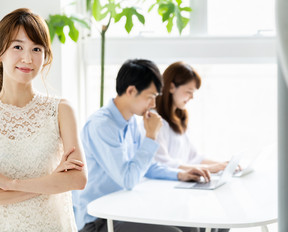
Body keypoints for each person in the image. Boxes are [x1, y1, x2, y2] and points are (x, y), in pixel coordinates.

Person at [0, 8, 87, 231]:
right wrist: (51, 181)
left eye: (36, 49)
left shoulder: (61, 111)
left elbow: (77, 180)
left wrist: (10, 184)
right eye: (18, 46)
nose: (28, 58)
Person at [73, 59, 210, 232]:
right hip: (98, 221)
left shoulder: (130, 121)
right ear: (131, 91)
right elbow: (128, 179)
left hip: (125, 209)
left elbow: (147, 166)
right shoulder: (101, 125)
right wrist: (151, 136)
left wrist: (179, 174)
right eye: (150, 97)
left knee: (195, 227)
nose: (153, 104)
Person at [155, 61, 230, 232]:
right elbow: (163, 162)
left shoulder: (179, 118)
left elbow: (194, 157)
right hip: (166, 193)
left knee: (221, 224)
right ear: (172, 87)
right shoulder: (155, 120)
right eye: (188, 92)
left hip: (182, 192)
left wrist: (221, 165)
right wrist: (208, 168)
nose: (192, 97)